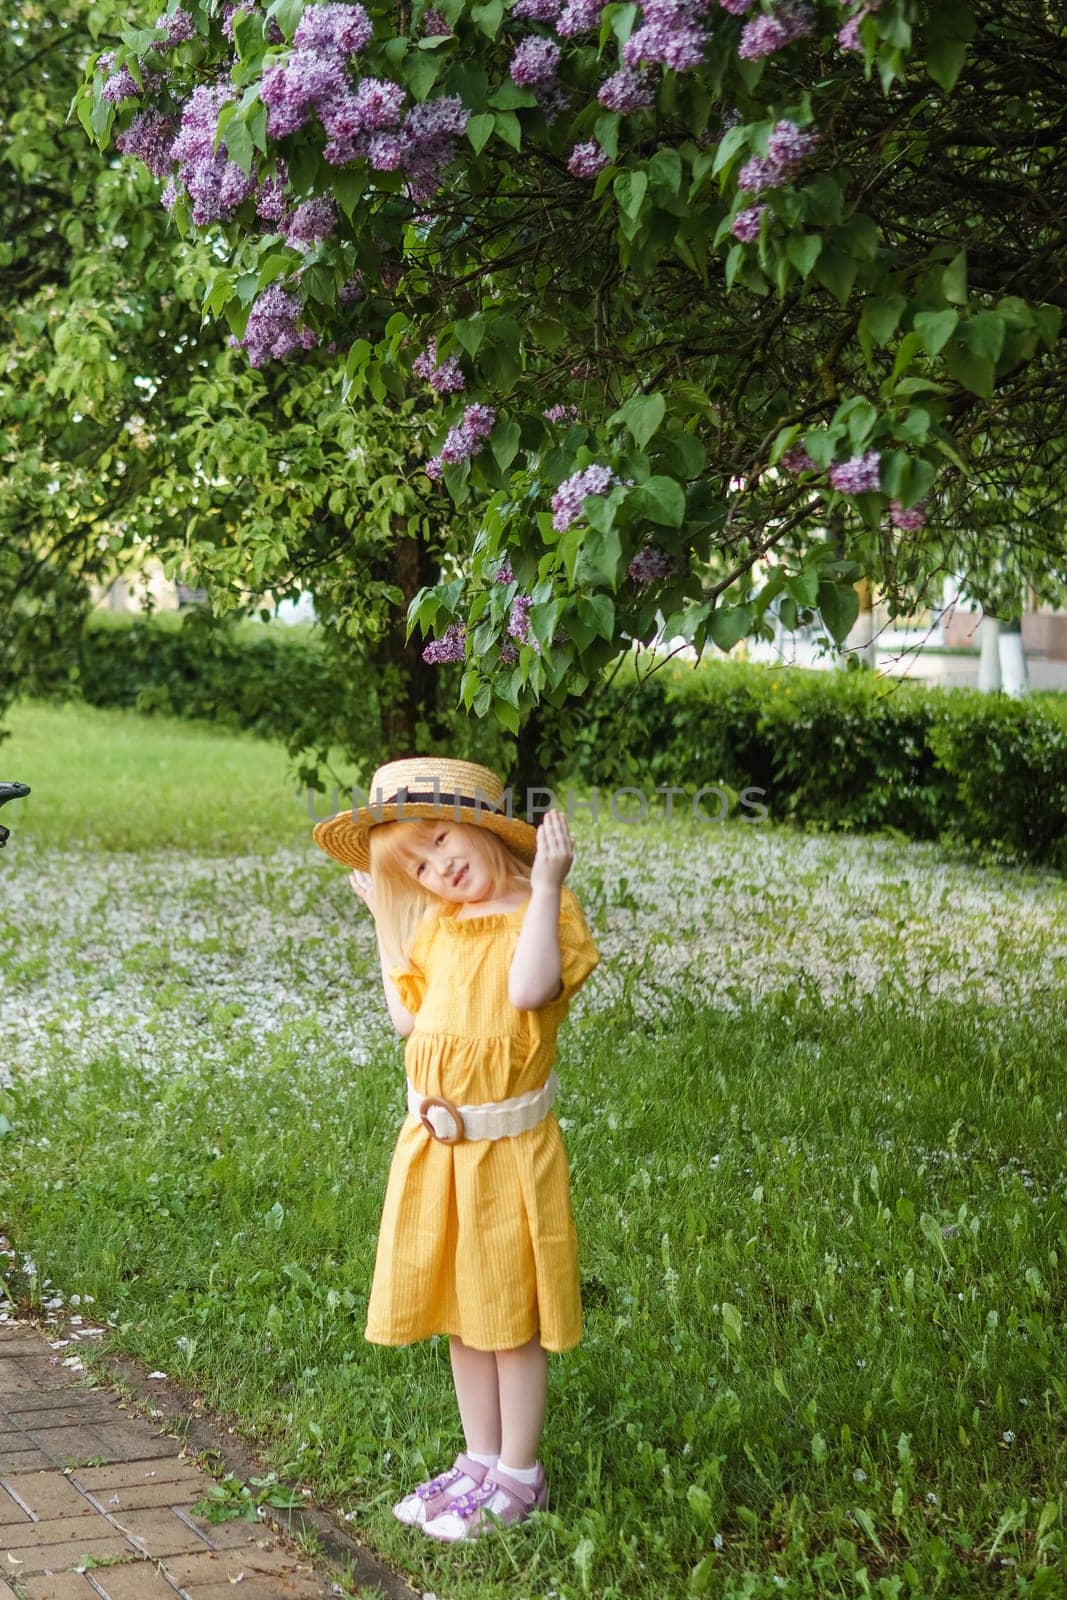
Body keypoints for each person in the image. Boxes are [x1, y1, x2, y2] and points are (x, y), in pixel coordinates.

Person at [312, 756, 600, 1542]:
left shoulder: (545, 914)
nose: (438, 868)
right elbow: (408, 1021)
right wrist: (385, 924)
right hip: (436, 1151)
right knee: (463, 1314)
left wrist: (542, 886)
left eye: (440, 841)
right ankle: (478, 1460)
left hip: (504, 1152)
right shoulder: (437, 924)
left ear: (477, 827)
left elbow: (528, 991)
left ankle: (520, 1472)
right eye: (418, 866)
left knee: (508, 1316)